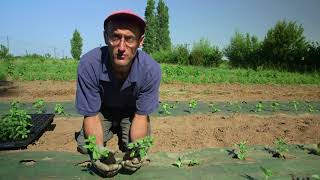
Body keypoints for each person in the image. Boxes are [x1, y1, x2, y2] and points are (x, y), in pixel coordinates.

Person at [75, 10, 161, 177]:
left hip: (131, 112)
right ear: (106, 37)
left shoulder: (150, 70)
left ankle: (126, 138)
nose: (122, 47)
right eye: (115, 37)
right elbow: (91, 115)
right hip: (102, 109)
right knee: (86, 147)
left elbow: (141, 116)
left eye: (129, 39)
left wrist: (136, 150)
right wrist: (98, 151)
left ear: (140, 41)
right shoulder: (89, 64)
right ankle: (107, 132)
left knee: (136, 149)